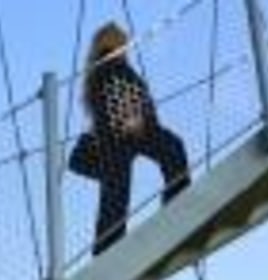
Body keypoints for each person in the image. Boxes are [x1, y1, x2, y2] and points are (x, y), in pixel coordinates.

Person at [77, 22, 191, 256]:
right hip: (130, 129)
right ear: (115, 42)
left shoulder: (97, 72)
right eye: (123, 40)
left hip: (115, 136)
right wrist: (133, 119)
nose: (127, 45)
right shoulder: (112, 66)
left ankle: (106, 252)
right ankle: (178, 206)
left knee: (115, 196)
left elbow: (107, 103)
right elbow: (121, 96)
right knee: (172, 150)